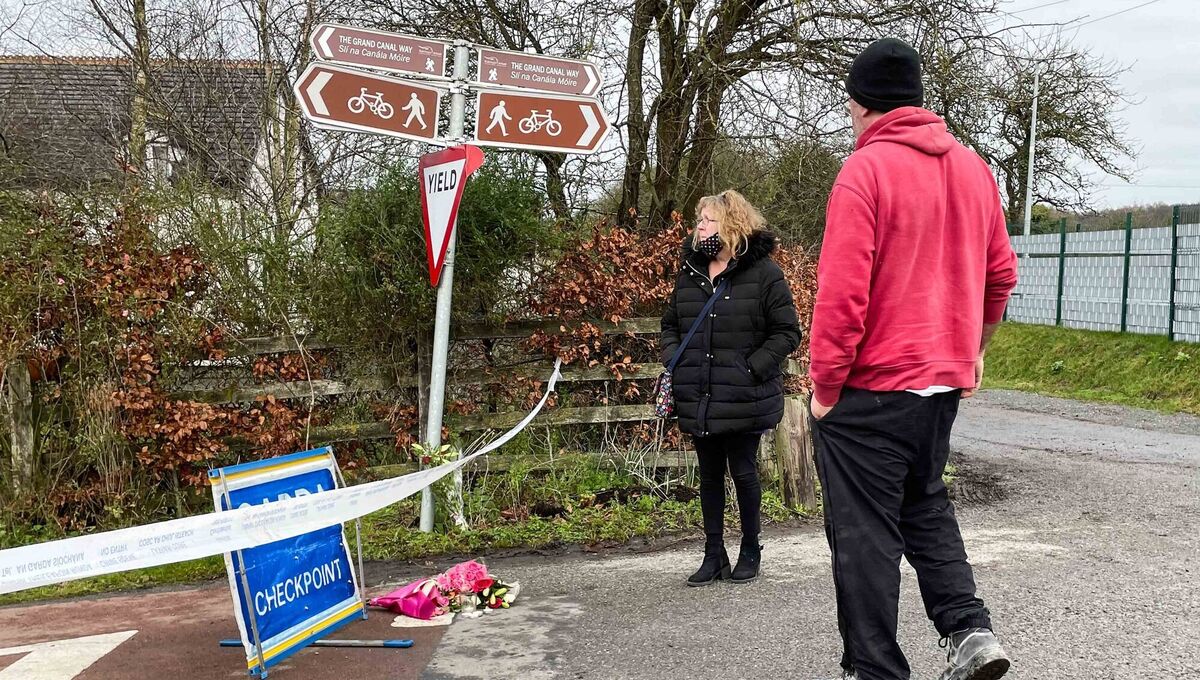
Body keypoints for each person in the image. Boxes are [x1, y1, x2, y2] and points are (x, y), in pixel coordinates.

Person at [808, 38, 1019, 680]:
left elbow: (843, 293)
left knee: (864, 532)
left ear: (860, 105)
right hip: (940, 384)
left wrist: (824, 385)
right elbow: (1001, 273)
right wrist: (974, 349)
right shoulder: (973, 167)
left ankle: (875, 669)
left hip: (870, 387)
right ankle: (969, 630)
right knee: (924, 502)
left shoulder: (865, 171)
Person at [660, 189, 802, 587]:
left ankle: (751, 548)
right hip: (700, 392)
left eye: (707, 220)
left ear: (732, 225)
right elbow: (670, 324)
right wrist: (676, 359)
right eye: (699, 221)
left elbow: (787, 332)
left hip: (745, 395)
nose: (699, 227)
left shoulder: (764, 274)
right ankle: (713, 552)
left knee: (743, 471)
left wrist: (750, 368)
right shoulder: (689, 272)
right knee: (707, 475)